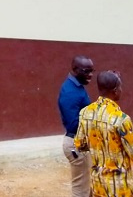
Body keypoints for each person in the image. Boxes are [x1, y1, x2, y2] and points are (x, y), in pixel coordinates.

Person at [75, 70, 133, 197]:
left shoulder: (85, 113)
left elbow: (80, 144)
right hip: (120, 188)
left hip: (98, 185)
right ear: (116, 91)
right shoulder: (121, 120)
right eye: (120, 87)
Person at [57, 55, 94, 197]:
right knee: (81, 192)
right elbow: (73, 124)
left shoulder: (77, 87)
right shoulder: (70, 92)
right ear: (74, 69)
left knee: (87, 187)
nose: (90, 75)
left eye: (92, 71)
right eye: (86, 71)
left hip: (80, 143)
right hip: (77, 145)